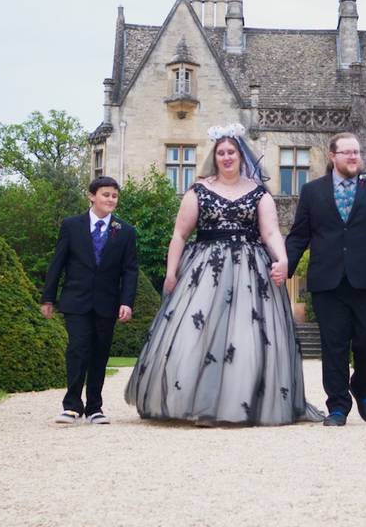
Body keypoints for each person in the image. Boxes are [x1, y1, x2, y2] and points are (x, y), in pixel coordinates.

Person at [125, 124, 321, 426]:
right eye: (221, 152)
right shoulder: (198, 191)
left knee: (247, 337)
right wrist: (170, 273)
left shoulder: (259, 194)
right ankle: (195, 402)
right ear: (214, 156)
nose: (227, 157)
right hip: (205, 270)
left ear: (241, 155)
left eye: (232, 152)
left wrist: (282, 260)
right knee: (196, 334)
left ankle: (241, 404)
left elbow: (270, 232)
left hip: (250, 272)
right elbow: (179, 234)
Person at [283, 132, 366, 426]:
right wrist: (284, 269)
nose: (354, 157)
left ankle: (361, 386)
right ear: (333, 156)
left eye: (357, 152)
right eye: (347, 152)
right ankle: (338, 406)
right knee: (334, 344)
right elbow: (299, 235)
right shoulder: (313, 191)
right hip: (328, 281)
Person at [41, 176, 139, 425]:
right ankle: (72, 405)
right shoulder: (71, 226)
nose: (110, 200)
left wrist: (126, 302)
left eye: (114, 196)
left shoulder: (125, 231)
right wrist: (48, 298)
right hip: (76, 300)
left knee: (100, 353)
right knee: (78, 348)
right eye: (106, 195)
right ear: (92, 196)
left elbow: (130, 270)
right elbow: (57, 263)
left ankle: (95, 407)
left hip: (107, 303)